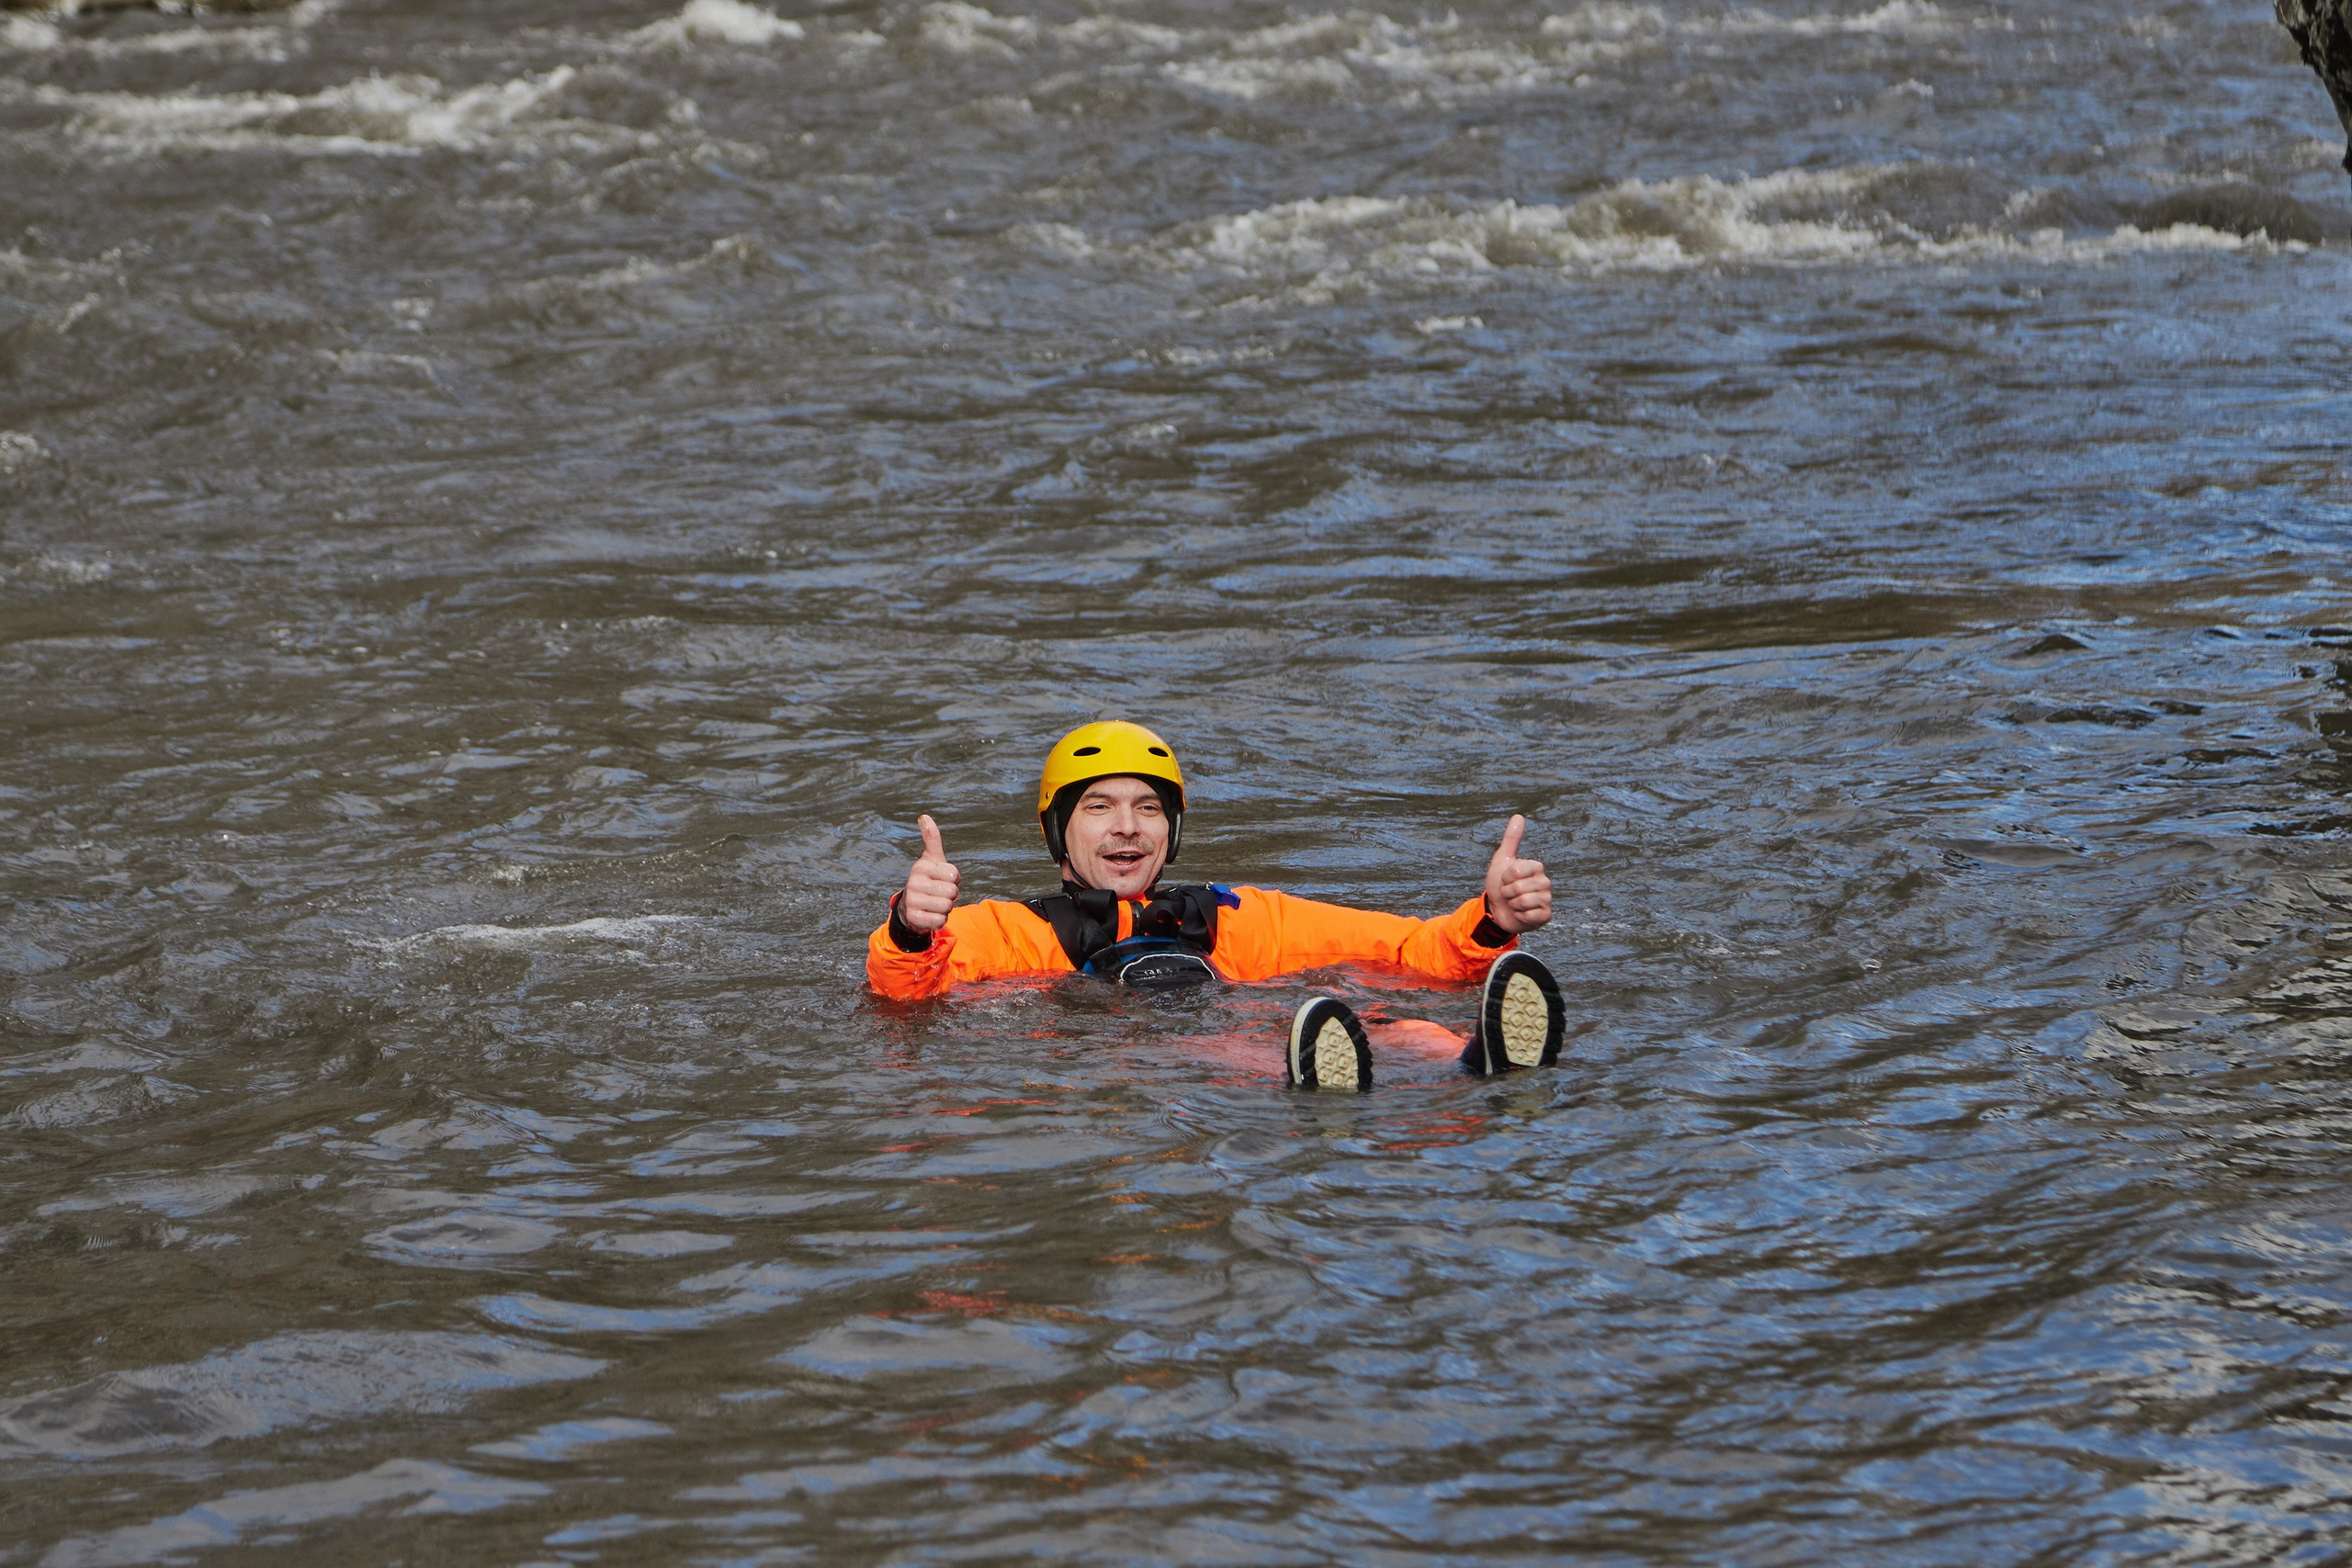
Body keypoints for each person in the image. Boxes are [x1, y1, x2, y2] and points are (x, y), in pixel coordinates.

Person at [865, 721, 1566, 1091]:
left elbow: (1412, 950)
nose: (1127, 827)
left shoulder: (1234, 916)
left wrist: (1492, 917)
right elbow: (903, 988)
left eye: (1148, 807)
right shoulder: (1010, 931)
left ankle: (1478, 1061)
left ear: (1172, 829)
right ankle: (1314, 1079)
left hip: (1247, 1030)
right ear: (1058, 830)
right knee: (1222, 1043)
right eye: (1100, 807)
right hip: (1152, 1063)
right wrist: (911, 923)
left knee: (1393, 1020)